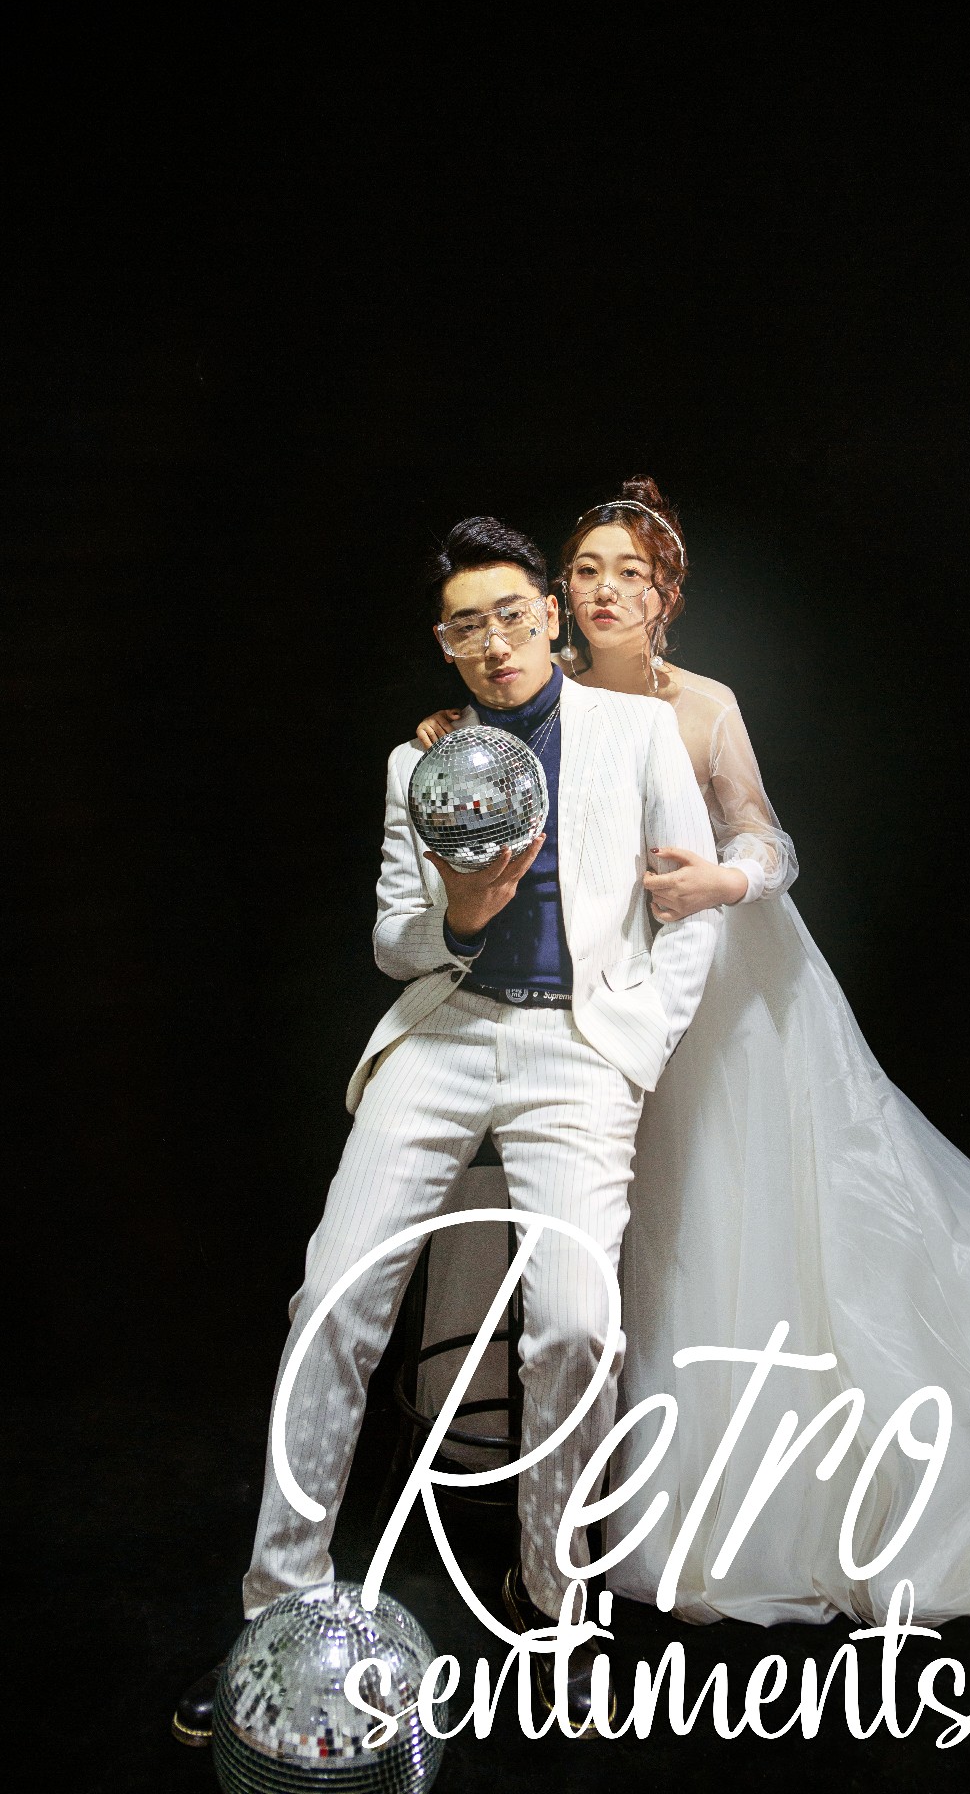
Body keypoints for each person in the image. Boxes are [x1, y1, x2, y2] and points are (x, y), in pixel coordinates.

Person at [415, 477, 970, 1630]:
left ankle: (767, 1495)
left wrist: (722, 879)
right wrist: (449, 743)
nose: (604, 592)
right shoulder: (541, 702)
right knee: (618, 1224)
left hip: (726, 986)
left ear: (662, 596)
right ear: (558, 596)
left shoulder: (702, 706)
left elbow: (768, 836)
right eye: (585, 572)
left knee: (732, 1211)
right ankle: (607, 1489)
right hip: (600, 988)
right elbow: (493, 789)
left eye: (629, 575)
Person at [171, 515, 720, 1745]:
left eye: (514, 614)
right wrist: (462, 911)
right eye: (469, 627)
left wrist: (632, 1045)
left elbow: (691, 908)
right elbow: (390, 940)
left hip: (578, 1050)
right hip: (444, 1035)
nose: (496, 642)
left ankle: (552, 1603)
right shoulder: (414, 761)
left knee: (574, 1324)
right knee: (331, 1301)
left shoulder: (634, 733)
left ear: (549, 615)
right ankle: (276, 1610)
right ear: (445, 643)